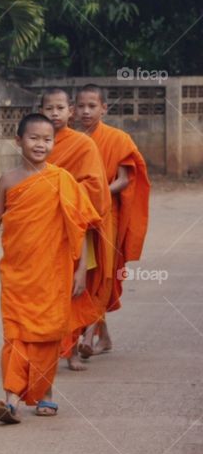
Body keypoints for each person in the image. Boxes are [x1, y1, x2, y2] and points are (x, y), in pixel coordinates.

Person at [0, 114, 100, 423]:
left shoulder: (63, 180)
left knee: (48, 334)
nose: (41, 144)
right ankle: (11, 398)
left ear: (54, 142)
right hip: (17, 273)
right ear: (18, 141)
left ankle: (44, 393)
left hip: (54, 273)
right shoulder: (9, 180)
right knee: (17, 333)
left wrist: (81, 271)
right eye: (34, 138)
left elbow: (85, 226)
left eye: (47, 139)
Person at [73, 84, 152, 357]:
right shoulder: (69, 141)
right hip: (79, 216)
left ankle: (88, 333)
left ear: (104, 108)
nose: (85, 111)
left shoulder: (118, 138)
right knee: (85, 271)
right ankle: (103, 337)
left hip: (107, 214)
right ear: (73, 109)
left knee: (104, 272)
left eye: (92, 106)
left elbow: (124, 179)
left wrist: (97, 193)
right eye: (81, 106)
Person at [39, 88, 113, 371]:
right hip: (43, 228)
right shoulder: (38, 142)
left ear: (70, 111)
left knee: (73, 289)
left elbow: (96, 187)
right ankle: (45, 347)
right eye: (49, 108)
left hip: (76, 226)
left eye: (60, 108)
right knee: (47, 291)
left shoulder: (82, 144)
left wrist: (63, 193)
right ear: (41, 111)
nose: (55, 114)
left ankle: (69, 350)